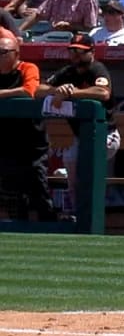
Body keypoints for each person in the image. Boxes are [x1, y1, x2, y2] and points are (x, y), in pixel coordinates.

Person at [35, 33, 119, 209]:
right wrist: (58, 90)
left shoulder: (97, 69)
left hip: (106, 135)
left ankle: (94, 211)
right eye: (73, 51)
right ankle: (77, 213)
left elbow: (103, 93)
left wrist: (70, 93)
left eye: (81, 51)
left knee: (83, 166)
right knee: (72, 176)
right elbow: (39, 89)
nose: (76, 55)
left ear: (92, 52)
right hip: (79, 137)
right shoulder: (67, 72)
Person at [0, 36, 54, 220]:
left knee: (38, 187)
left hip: (32, 141)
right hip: (6, 140)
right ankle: (18, 228)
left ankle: (49, 227)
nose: (0, 56)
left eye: (3, 53)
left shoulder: (27, 68)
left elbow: (29, 90)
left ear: (16, 54)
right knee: (12, 192)